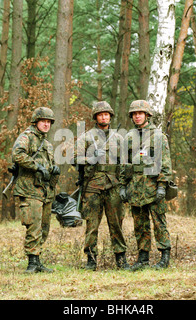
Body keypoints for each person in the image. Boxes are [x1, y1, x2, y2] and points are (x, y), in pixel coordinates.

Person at [75, 101, 129, 271]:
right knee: (91, 225)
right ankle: (91, 260)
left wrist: (123, 185)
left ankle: (121, 260)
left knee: (116, 224)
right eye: (101, 114)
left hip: (113, 185)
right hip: (92, 186)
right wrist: (90, 158)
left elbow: (125, 163)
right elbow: (74, 158)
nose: (104, 117)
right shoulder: (86, 137)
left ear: (110, 117)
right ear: (96, 117)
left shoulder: (119, 138)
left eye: (107, 114)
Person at [119, 100, 173, 271]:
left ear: (147, 115)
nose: (137, 116)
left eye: (140, 113)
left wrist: (162, 186)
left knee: (159, 223)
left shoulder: (158, 136)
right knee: (140, 225)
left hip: (153, 186)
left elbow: (165, 163)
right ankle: (143, 259)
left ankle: (165, 257)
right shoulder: (128, 138)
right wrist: (122, 186)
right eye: (134, 114)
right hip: (135, 188)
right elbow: (123, 164)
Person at [12, 107, 60, 273]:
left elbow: (49, 164)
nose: (46, 124)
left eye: (49, 122)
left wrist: (54, 169)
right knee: (34, 226)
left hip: (45, 190)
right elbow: (17, 154)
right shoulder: (27, 137)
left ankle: (38, 261)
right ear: (36, 122)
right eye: (43, 121)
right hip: (29, 188)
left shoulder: (47, 144)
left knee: (44, 227)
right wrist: (37, 167)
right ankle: (32, 262)